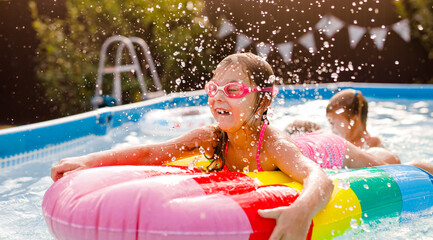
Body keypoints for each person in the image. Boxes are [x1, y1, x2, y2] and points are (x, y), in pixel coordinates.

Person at [51, 53, 395, 239]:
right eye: (213, 89)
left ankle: (414, 161)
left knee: (378, 159)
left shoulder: (272, 142)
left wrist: (301, 211)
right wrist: (88, 159)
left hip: (324, 148)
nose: (218, 98)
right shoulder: (211, 137)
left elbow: (317, 177)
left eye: (233, 91)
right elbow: (152, 153)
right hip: (303, 145)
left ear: (262, 100)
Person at [285, 89, 433, 173]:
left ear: (354, 119)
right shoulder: (335, 137)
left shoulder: (373, 143)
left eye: (333, 122)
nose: (331, 127)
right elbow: (304, 127)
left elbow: (391, 165)